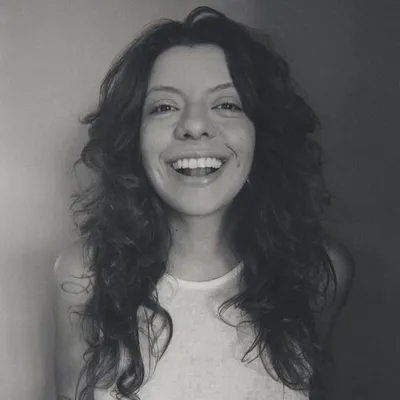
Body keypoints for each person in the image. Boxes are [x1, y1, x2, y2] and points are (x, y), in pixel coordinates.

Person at [53, 6, 355, 400]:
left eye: (227, 104)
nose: (194, 126)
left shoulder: (320, 273)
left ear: (262, 133)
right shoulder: (83, 276)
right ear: (134, 138)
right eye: (164, 107)